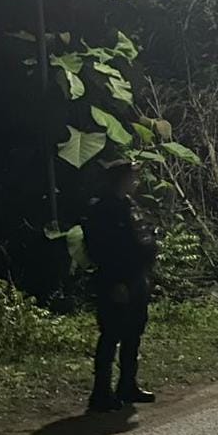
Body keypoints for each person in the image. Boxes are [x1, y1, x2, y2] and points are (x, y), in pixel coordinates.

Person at [83, 159, 158, 412]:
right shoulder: (103, 210)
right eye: (131, 177)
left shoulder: (130, 204)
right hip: (116, 279)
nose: (135, 181)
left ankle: (127, 385)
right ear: (119, 179)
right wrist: (116, 282)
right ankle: (101, 392)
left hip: (137, 276)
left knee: (133, 333)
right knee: (111, 334)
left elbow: (140, 236)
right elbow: (101, 249)